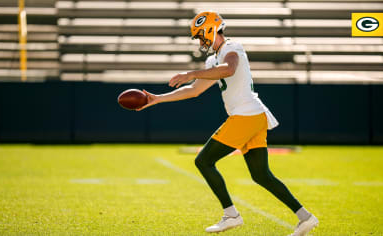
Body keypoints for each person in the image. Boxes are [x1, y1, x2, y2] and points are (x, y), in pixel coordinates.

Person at [136, 11, 318, 236]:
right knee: (261, 175)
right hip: (252, 115)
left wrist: (191, 72)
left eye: (201, 35)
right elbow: (194, 90)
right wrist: (157, 99)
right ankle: (305, 218)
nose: (200, 41)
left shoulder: (232, 47)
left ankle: (231, 215)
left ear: (212, 30)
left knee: (203, 161)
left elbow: (229, 68)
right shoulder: (212, 59)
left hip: (246, 115)